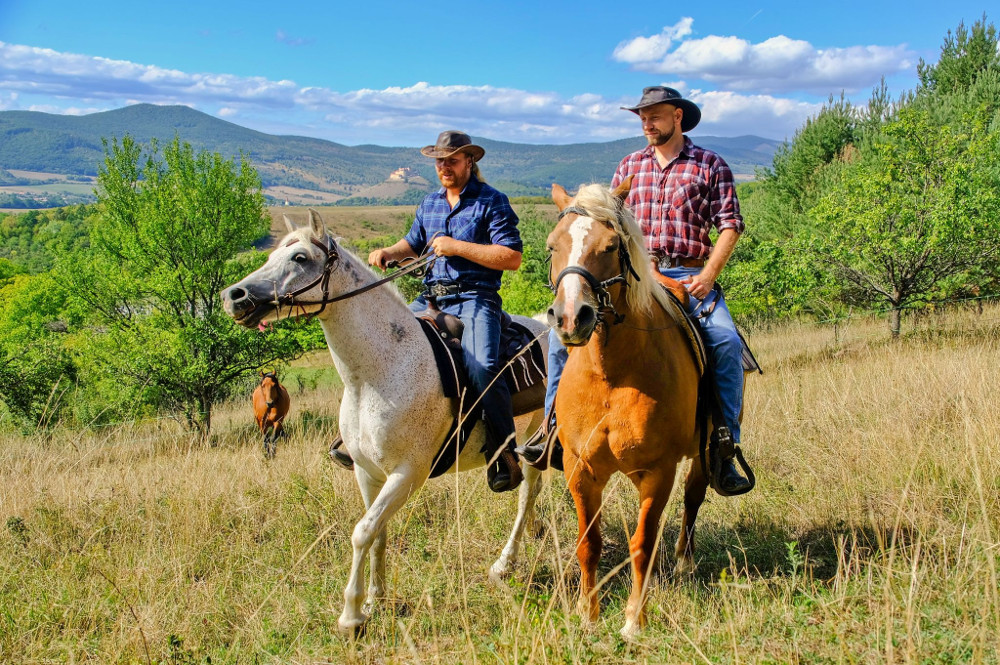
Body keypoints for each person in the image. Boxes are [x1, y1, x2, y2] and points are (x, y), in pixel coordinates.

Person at [521, 86, 753, 496]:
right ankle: (550, 428)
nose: (647, 123)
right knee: (564, 339)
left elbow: (730, 225)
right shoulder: (629, 167)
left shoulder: (710, 165)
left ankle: (723, 444)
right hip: (632, 277)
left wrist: (710, 275)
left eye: (656, 116)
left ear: (677, 117)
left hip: (688, 275)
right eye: (642, 117)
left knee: (725, 341)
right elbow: (602, 228)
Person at [331, 130, 525, 493]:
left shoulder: (492, 201)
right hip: (430, 298)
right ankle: (353, 438)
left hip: (475, 298)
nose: (444, 167)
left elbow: (511, 257)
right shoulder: (430, 203)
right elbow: (414, 243)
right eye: (440, 161)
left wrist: (458, 247)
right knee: (376, 346)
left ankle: (503, 451)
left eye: (452, 160)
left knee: (482, 366)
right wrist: (390, 251)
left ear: (470, 161)